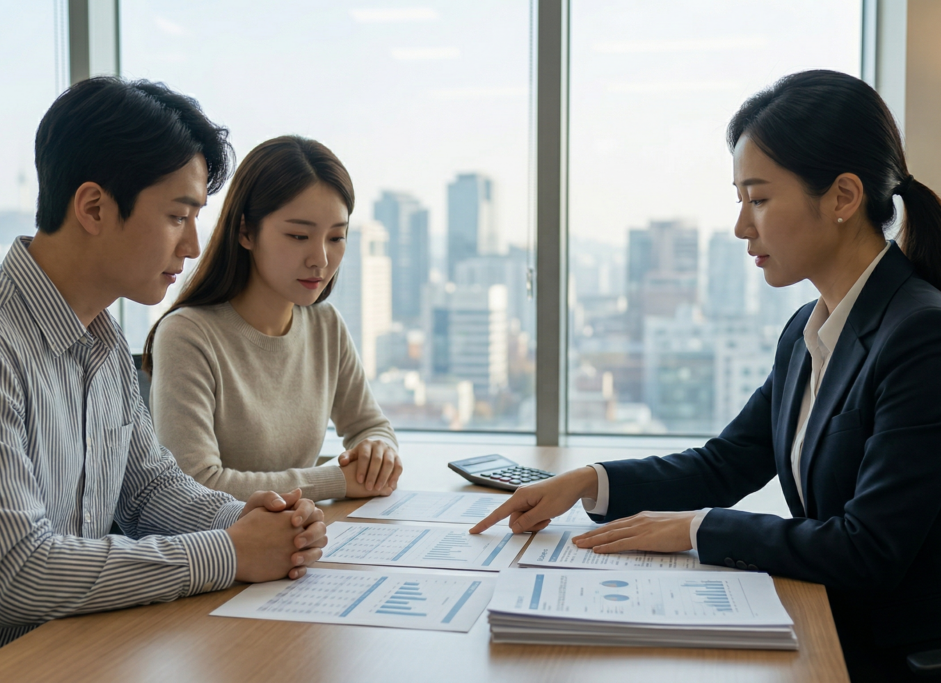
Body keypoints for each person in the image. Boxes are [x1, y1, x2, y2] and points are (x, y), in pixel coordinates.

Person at [471, 70, 941, 681]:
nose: (742, 226)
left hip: (881, 655)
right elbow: (727, 462)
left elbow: (867, 549)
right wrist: (589, 482)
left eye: (759, 199)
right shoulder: (807, 331)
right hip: (820, 622)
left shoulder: (921, 335)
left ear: (843, 198)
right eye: (740, 200)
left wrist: (694, 529)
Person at [0, 78, 327, 676]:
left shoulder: (102, 339)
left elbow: (147, 490)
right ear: (93, 208)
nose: (192, 245)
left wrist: (248, 522)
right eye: (177, 216)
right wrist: (230, 552)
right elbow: (13, 575)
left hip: (77, 652)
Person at [142, 136, 402, 503]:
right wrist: (336, 481)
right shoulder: (187, 335)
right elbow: (195, 484)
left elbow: (370, 426)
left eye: (336, 237)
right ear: (245, 232)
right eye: (299, 235)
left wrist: (378, 451)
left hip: (301, 531)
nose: (320, 259)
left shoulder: (325, 325)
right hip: (224, 539)